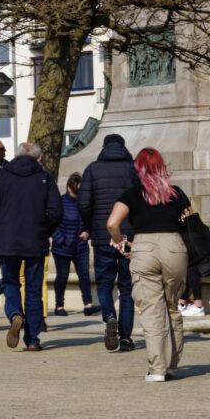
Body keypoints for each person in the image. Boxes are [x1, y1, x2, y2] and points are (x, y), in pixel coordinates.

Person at [106, 147, 192, 382]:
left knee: (152, 312)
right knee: (172, 307)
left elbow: (113, 223)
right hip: (175, 247)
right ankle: (173, 364)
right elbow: (190, 221)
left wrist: (121, 244)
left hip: (143, 248)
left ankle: (157, 369)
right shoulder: (176, 193)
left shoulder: (132, 195)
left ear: (138, 170)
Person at [0, 139, 63, 352]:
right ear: (38, 158)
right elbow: (56, 212)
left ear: (17, 155)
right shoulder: (45, 179)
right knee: (34, 290)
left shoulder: (1, 177)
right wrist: (44, 230)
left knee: (11, 282)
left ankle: (15, 314)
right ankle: (33, 339)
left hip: (7, 241)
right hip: (35, 241)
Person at [77, 133, 139, 353]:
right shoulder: (134, 168)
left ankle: (109, 316)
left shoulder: (93, 169)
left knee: (104, 283)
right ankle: (126, 338)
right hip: (129, 237)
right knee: (127, 287)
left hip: (103, 236)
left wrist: (91, 225)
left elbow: (83, 203)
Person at [50, 172, 96, 316]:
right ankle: (59, 306)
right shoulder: (60, 201)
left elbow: (91, 220)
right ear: (69, 187)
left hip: (80, 246)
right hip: (62, 248)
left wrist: (88, 232)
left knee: (84, 275)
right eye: (77, 189)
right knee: (62, 276)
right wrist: (60, 239)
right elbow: (51, 223)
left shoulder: (85, 202)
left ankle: (88, 304)